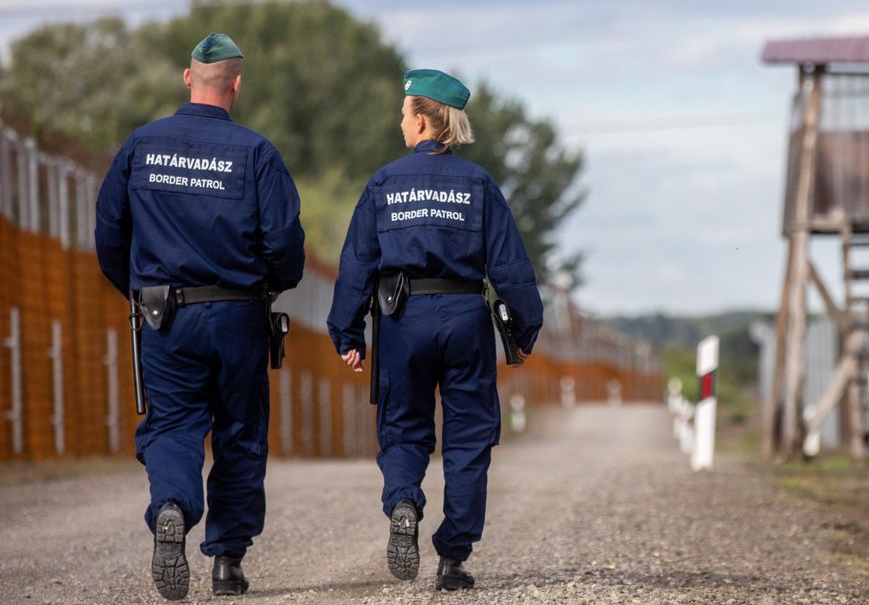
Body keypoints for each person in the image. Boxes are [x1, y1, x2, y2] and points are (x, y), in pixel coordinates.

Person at [94, 33, 306, 600]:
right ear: (236, 86)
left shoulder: (141, 145)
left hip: (165, 314)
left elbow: (109, 234)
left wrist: (138, 292)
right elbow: (284, 243)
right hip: (239, 315)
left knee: (172, 424)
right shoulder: (258, 152)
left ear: (188, 78)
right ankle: (228, 562)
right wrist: (272, 284)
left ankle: (170, 508)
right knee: (239, 431)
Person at [327, 69, 542, 591]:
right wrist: (526, 328)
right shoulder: (479, 184)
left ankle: (404, 499)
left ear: (423, 119)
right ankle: (453, 558)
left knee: (404, 426)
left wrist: (346, 332)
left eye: (404, 114)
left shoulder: (384, 181)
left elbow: (357, 263)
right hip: (466, 317)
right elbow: (510, 265)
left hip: (404, 320)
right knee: (468, 437)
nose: (401, 124)